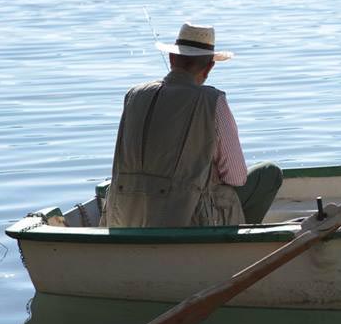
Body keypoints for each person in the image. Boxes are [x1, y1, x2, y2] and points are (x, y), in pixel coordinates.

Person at [103, 23, 282, 227]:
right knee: (269, 173)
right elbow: (236, 177)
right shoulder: (213, 101)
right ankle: (236, 246)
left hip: (124, 214)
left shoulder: (134, 95)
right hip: (188, 219)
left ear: (172, 58)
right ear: (210, 66)